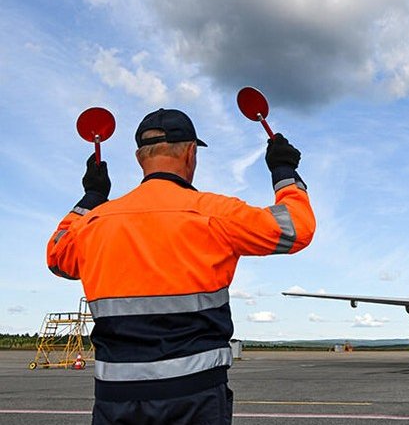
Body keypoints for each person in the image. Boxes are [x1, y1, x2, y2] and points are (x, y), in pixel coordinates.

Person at [47, 108, 316, 424]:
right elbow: (296, 229)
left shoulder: (94, 224)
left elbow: (57, 255)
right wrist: (284, 172)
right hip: (194, 400)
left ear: (139, 158)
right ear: (191, 152)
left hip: (115, 400)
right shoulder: (214, 213)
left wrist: (91, 198)